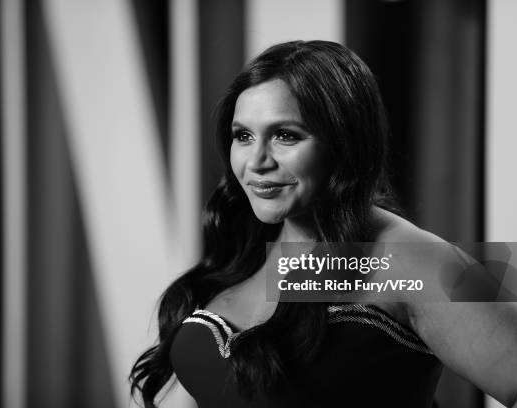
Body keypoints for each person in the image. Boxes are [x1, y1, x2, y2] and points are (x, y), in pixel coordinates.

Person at [130, 40, 517, 408]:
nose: (257, 161)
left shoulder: (415, 259)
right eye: (243, 136)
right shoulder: (244, 249)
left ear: (342, 141)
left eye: (285, 135)